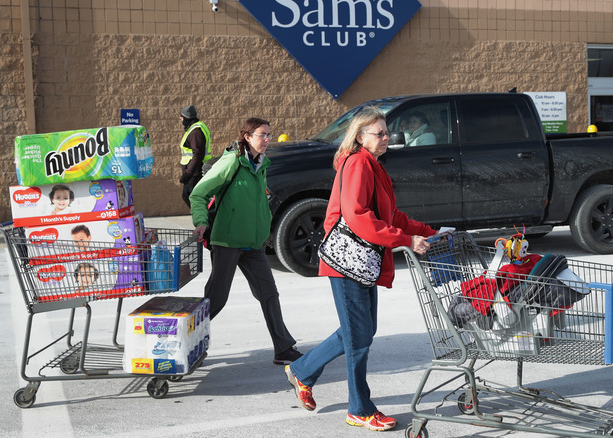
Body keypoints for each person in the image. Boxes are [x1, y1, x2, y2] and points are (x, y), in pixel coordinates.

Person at [284, 106, 436, 432]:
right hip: (347, 263)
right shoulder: (357, 165)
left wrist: (424, 231)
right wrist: (405, 241)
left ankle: (302, 371)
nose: (386, 138)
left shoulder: (374, 166)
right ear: (359, 137)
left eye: (386, 132)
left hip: (362, 263)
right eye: (379, 133)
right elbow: (358, 218)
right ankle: (359, 408)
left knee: (361, 332)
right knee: (359, 339)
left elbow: (389, 215)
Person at [190, 117, 302, 365]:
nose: (267, 140)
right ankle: (184, 343)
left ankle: (283, 348)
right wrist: (201, 221)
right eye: (262, 135)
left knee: (269, 294)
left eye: (269, 135)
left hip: (253, 244)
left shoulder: (261, 164)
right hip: (228, 241)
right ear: (247, 136)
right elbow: (199, 192)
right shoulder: (232, 161)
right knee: (216, 299)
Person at [178, 105, 212, 208]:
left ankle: (205, 221)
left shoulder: (195, 131)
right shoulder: (194, 128)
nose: (181, 119)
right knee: (192, 197)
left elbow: (198, 154)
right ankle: (205, 221)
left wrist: (188, 174)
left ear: (185, 118)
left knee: (191, 197)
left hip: (195, 172)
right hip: (194, 170)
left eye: (182, 118)